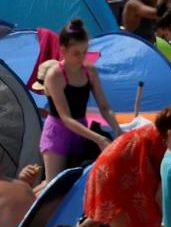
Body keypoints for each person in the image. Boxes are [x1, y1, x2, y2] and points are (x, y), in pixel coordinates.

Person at [39, 19, 121, 180]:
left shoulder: (89, 70)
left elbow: (104, 106)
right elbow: (66, 118)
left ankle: (30, 192)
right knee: (54, 187)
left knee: (78, 183)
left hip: (81, 131)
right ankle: (28, 196)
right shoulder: (55, 75)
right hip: (58, 133)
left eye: (85, 52)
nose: (81, 57)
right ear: (63, 50)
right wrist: (98, 138)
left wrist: (117, 129)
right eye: (76, 53)